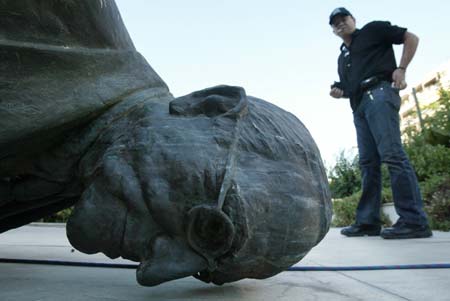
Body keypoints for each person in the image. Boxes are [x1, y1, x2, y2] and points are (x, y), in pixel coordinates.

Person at [328, 7, 432, 239]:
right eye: (335, 23)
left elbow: (410, 38)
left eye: (343, 19)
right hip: (360, 106)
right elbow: (349, 87)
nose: (340, 24)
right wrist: (339, 91)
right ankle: (367, 222)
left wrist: (401, 69)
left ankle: (414, 221)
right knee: (367, 163)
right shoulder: (343, 57)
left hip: (380, 94)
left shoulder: (374, 30)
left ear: (353, 20)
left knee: (392, 155)